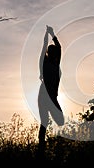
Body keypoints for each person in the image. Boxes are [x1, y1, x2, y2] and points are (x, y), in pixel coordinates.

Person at [37, 25, 64, 156]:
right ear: (50, 54)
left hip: (52, 97)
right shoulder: (44, 62)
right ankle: (41, 148)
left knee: (60, 121)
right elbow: (44, 47)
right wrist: (47, 35)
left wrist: (53, 34)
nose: (56, 54)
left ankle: (51, 144)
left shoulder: (56, 63)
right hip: (44, 96)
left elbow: (59, 48)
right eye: (53, 53)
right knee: (44, 122)